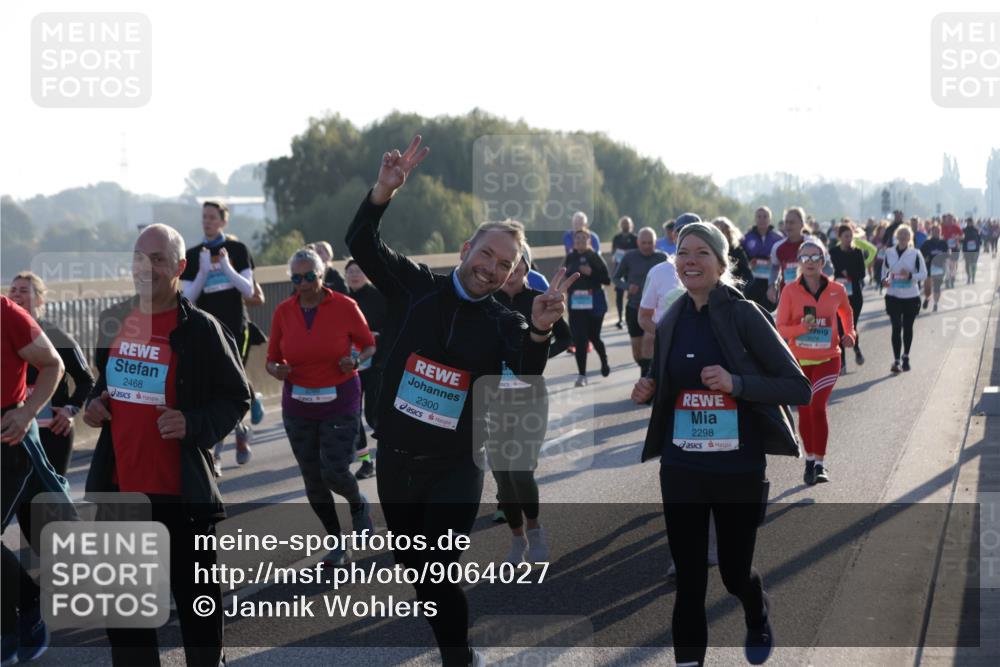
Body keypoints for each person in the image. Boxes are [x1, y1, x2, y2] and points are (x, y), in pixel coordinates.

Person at [345, 135, 576, 667]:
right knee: (416, 569)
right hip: (397, 462)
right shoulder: (415, 286)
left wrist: (540, 331)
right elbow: (361, 241)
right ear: (466, 250)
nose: (491, 269)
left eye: (504, 265)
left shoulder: (504, 321)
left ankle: (458, 656)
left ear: (511, 275)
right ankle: (457, 645)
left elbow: (524, 372)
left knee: (438, 567)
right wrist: (383, 191)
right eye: (486, 255)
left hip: (456, 467)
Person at [632, 222, 811, 667]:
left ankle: (756, 608)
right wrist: (649, 386)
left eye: (701, 253)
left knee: (732, 573)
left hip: (737, 470)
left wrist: (737, 383)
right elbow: (666, 378)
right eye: (683, 252)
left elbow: (798, 388)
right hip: (682, 468)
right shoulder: (671, 317)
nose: (689, 260)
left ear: (721, 262)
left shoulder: (744, 314)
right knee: (689, 580)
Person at [83, 223, 251, 667]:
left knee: (198, 615)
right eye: (140, 256)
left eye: (158, 258)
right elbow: (106, 387)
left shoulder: (202, 329)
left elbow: (237, 395)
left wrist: (195, 423)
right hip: (121, 495)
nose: (147, 266)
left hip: (182, 497)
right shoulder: (114, 321)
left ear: (179, 267)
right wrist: (94, 405)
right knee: (127, 627)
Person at [266, 248, 376, 566]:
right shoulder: (284, 312)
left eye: (309, 276)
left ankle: (357, 504)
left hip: (339, 399)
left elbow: (368, 344)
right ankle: (337, 542)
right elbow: (272, 359)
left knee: (335, 471)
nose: (303, 283)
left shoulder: (344, 306)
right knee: (313, 479)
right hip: (298, 403)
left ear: (321, 275)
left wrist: (354, 360)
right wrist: (277, 370)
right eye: (296, 277)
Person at [491, 244, 571, 563]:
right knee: (502, 477)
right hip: (492, 398)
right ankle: (516, 539)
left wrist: (536, 357)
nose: (511, 272)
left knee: (521, 472)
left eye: (516, 264)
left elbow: (565, 337)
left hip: (530, 396)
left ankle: (535, 532)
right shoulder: (487, 302)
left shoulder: (538, 299)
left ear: (525, 265)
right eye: (504, 266)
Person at [2, 296, 66, 667]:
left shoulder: (6, 313)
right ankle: (7, 627)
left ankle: (28, 606)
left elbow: (52, 364)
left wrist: (26, 413)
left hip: (7, 438)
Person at [180, 200, 256, 471]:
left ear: (223, 220)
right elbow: (187, 298)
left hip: (236, 329)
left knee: (231, 387)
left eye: (212, 217)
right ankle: (225, 445)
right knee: (212, 390)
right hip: (207, 333)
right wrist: (201, 271)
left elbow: (248, 290)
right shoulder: (192, 254)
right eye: (204, 217)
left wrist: (226, 268)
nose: (207, 221)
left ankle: (229, 442)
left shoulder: (237, 249)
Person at [776, 239, 855, 485]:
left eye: (814, 258)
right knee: (806, 411)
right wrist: (802, 327)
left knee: (817, 406)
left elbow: (846, 312)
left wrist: (850, 334)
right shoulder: (790, 290)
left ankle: (820, 464)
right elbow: (780, 328)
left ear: (822, 261)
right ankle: (809, 459)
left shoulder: (836, 289)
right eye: (805, 258)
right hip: (799, 361)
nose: (809, 262)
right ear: (799, 262)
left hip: (829, 358)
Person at [7, 273, 95, 479]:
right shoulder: (5, 335)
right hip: (16, 430)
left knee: (50, 501)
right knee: (22, 504)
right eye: (13, 290)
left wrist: (70, 410)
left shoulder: (55, 336)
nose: (16, 294)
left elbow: (86, 379)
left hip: (53, 431)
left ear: (39, 299)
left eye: (23, 290)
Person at [345, 258, 386, 479]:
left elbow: (395, 325)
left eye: (359, 270)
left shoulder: (378, 296)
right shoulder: (342, 300)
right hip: (352, 366)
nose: (354, 275)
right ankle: (366, 462)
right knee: (353, 416)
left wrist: (377, 336)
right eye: (350, 271)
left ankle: (391, 454)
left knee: (373, 416)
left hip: (377, 364)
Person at [614, 228, 668, 377]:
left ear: (655, 242)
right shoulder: (629, 257)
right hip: (634, 307)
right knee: (637, 351)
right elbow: (615, 278)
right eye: (644, 243)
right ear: (638, 242)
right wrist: (627, 287)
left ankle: (647, 378)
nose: (647, 246)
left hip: (654, 310)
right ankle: (645, 369)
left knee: (648, 344)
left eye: (650, 243)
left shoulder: (663, 258)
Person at [563, 229, 612, 386]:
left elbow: (607, 280)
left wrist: (591, 272)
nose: (580, 241)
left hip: (594, 304)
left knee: (593, 337)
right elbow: (563, 276)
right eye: (577, 239)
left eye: (583, 239)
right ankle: (582, 375)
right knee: (579, 340)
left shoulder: (594, 257)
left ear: (589, 241)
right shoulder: (570, 257)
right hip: (576, 305)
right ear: (573, 242)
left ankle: (604, 361)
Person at [882, 225, 928, 373]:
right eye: (900, 234)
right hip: (893, 295)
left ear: (910, 238)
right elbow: (884, 271)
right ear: (896, 236)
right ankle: (896, 360)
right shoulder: (889, 252)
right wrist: (884, 280)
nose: (902, 237)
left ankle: (906, 356)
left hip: (911, 297)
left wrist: (910, 276)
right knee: (896, 327)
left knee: (907, 327)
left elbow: (923, 274)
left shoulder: (915, 254)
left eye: (905, 234)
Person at [828, 225, 868, 371]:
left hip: (855, 295)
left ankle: (856, 349)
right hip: (837, 296)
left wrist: (849, 273)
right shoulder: (833, 252)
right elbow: (828, 271)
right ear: (839, 237)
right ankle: (842, 361)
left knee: (851, 326)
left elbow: (862, 273)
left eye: (850, 236)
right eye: (845, 236)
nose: (848, 239)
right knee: (839, 327)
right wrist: (839, 273)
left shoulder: (857, 252)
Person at [741, 206, 784, 311]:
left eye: (765, 216)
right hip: (752, 282)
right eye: (759, 216)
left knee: (768, 311)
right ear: (755, 219)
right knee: (752, 311)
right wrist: (749, 262)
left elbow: (784, 260)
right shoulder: (747, 237)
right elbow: (741, 257)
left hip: (771, 282)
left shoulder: (778, 238)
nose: (762, 219)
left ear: (770, 219)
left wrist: (773, 260)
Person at [767, 207, 812, 304]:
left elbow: (825, 267)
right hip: (787, 298)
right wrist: (771, 286)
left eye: (792, 222)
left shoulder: (812, 244)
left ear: (802, 224)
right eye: (786, 222)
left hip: (810, 297)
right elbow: (774, 267)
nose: (788, 226)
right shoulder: (778, 247)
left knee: (809, 319)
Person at [611, 216, 639, 329]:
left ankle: (632, 316)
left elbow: (639, 251)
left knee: (632, 292)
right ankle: (620, 318)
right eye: (623, 224)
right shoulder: (616, 238)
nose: (625, 226)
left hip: (632, 269)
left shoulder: (635, 238)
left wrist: (629, 252)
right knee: (619, 293)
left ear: (631, 225)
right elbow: (613, 253)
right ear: (620, 225)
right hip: (619, 268)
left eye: (627, 224)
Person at [712, 217, 753, 290]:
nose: (719, 234)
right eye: (716, 231)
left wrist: (737, 290)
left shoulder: (737, 252)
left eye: (722, 231)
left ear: (729, 233)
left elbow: (749, 277)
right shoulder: (708, 251)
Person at [921, 224, 949, 311]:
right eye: (934, 231)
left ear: (940, 232)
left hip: (939, 268)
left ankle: (936, 304)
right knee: (928, 287)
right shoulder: (927, 243)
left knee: (937, 287)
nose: (936, 233)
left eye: (938, 231)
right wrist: (925, 258)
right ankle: (927, 298)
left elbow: (947, 254)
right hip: (928, 266)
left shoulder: (943, 243)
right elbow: (920, 254)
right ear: (931, 232)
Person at [940, 213, 963, 289]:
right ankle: (947, 280)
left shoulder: (956, 227)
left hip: (955, 248)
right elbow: (940, 236)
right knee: (947, 265)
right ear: (946, 219)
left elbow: (962, 236)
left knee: (953, 265)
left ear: (953, 219)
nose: (949, 220)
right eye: (947, 219)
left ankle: (952, 280)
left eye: (950, 219)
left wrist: (957, 237)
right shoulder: (943, 227)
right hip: (946, 248)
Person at [961, 217, 982, 284]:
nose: (969, 223)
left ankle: (973, 277)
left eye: (970, 222)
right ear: (967, 222)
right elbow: (961, 239)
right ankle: (968, 276)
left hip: (975, 249)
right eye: (968, 222)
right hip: (966, 249)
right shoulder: (964, 230)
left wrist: (978, 244)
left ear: (973, 222)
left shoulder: (976, 230)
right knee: (967, 264)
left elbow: (979, 238)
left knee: (974, 264)